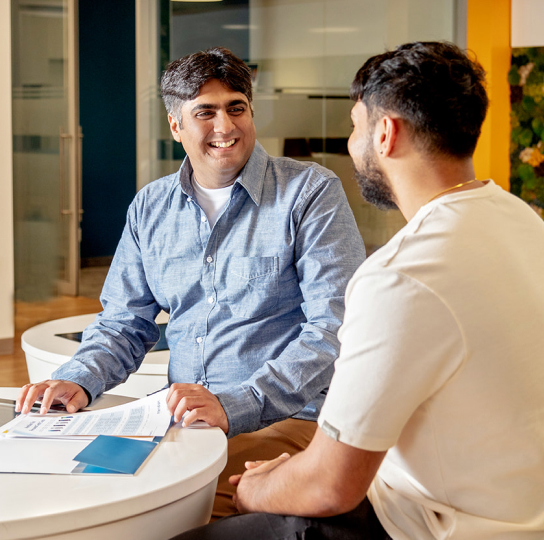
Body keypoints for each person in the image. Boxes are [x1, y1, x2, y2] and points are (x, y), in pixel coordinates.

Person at [174, 41, 544, 540]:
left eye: (355, 126)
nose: (352, 142)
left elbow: (330, 486)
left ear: (386, 133)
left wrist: (256, 487)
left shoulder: (399, 276)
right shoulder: (522, 221)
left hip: (425, 524)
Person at [16, 47, 366, 517]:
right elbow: (124, 322)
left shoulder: (309, 192)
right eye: (206, 112)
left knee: (176, 516)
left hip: (285, 419)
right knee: (82, 496)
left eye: (236, 108)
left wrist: (237, 403)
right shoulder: (149, 207)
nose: (226, 127)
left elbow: (333, 330)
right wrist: (78, 380)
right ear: (175, 125)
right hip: (178, 421)